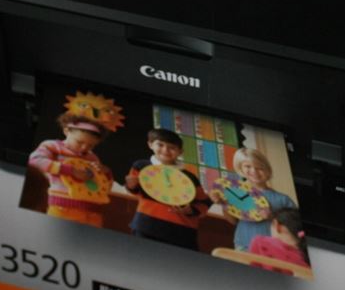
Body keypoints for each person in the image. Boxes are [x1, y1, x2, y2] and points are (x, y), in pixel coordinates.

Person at [27, 92, 123, 228]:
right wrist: (70, 170)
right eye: (79, 142)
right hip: (61, 208)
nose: (84, 148)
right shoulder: (52, 146)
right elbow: (34, 161)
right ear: (67, 131)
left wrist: (106, 173)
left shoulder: (92, 157)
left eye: (91, 145)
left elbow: (104, 185)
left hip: (93, 211)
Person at [125, 128, 211, 250]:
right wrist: (131, 185)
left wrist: (191, 210)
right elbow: (136, 191)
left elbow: (204, 202)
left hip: (182, 232)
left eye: (172, 147)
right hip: (147, 226)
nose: (165, 150)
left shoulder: (190, 177)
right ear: (150, 144)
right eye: (160, 145)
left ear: (180, 151)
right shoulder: (141, 166)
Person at [228, 147, 296, 251]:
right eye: (248, 166)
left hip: (273, 249)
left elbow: (294, 226)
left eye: (259, 167)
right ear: (241, 168)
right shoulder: (239, 193)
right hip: (243, 245)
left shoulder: (283, 199)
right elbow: (233, 220)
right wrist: (224, 205)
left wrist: (272, 217)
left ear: (267, 170)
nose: (254, 171)